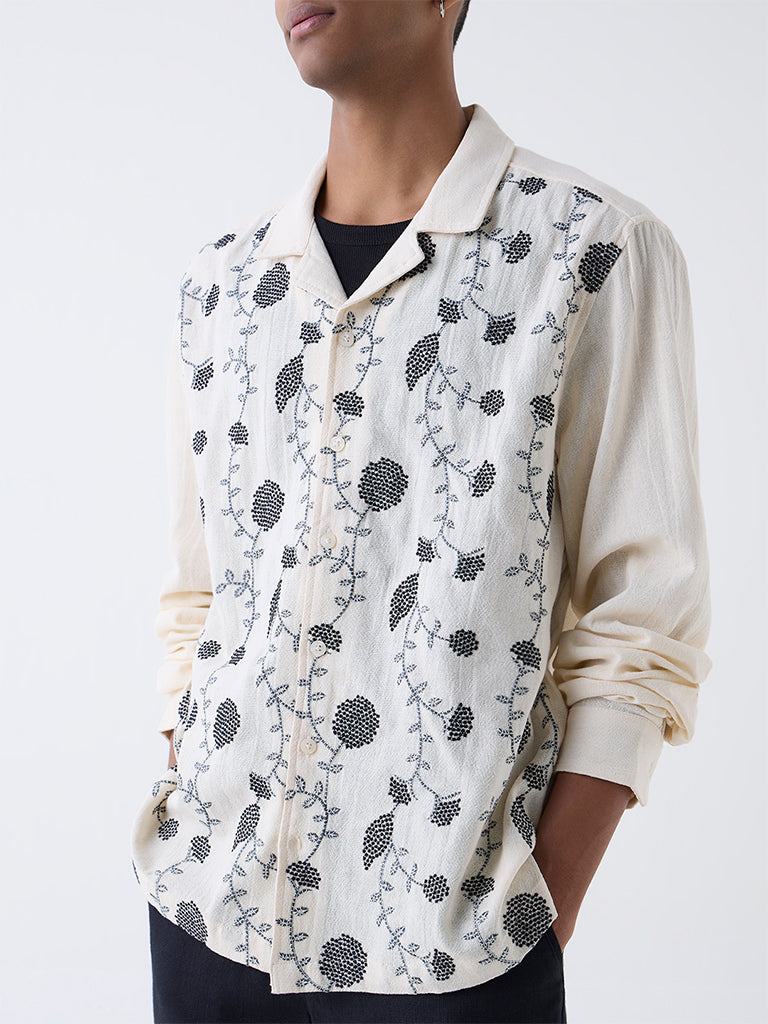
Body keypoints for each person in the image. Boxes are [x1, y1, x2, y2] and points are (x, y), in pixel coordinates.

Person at [129, 1, 713, 1021]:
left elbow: (644, 616)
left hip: (447, 950)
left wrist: (537, 909)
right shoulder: (222, 285)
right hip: (207, 914)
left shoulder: (590, 250)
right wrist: (192, 767)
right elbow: (200, 595)